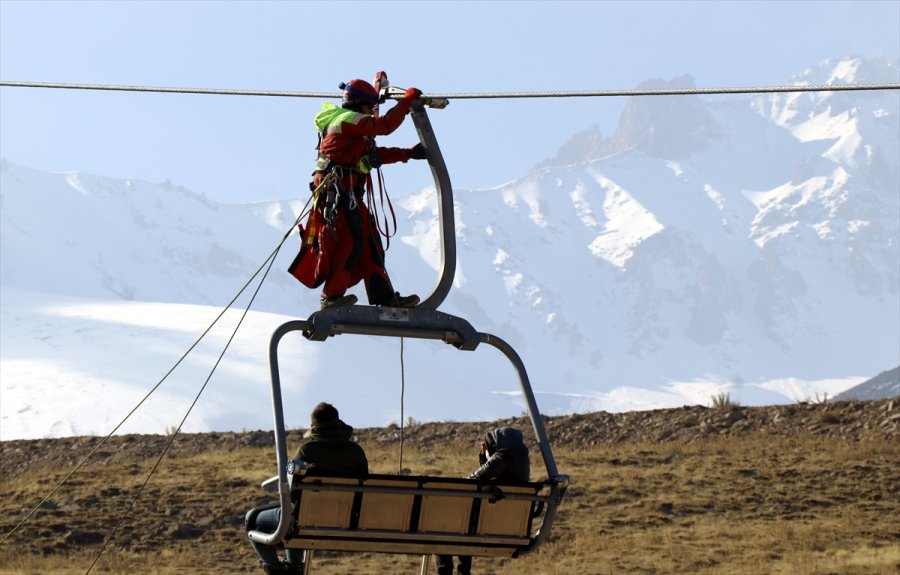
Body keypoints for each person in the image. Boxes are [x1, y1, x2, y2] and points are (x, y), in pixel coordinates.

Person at [289, 76, 428, 310]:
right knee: (351, 243)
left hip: (349, 196)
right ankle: (331, 297)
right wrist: (405, 104)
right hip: (339, 196)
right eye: (368, 107)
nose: (370, 112)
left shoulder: (353, 126)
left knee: (370, 242)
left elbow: (372, 154)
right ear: (357, 105)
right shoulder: (347, 120)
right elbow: (383, 127)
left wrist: (407, 154)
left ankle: (385, 297)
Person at [245, 402, 368, 575]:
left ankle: (279, 570)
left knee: (253, 517)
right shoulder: (356, 452)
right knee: (297, 517)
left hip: (308, 517)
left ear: (314, 426)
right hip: (346, 519)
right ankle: (294, 567)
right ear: (338, 421)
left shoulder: (307, 451)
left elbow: (291, 490)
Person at [435, 427, 531, 575]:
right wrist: (485, 459)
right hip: (505, 527)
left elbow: (473, 481)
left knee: (444, 526)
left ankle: (445, 572)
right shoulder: (521, 467)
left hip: (484, 526)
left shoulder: (503, 457)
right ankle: (463, 571)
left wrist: (485, 456)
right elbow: (488, 476)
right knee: (467, 528)